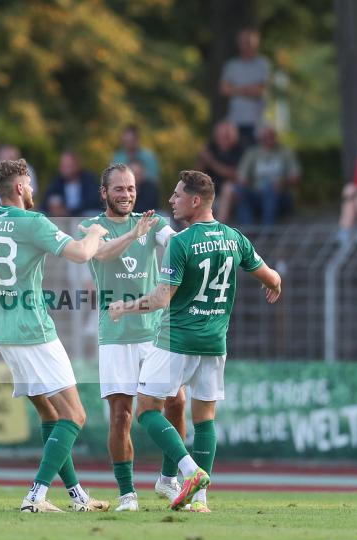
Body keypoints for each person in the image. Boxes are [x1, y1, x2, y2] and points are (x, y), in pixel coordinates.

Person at [0, 158, 111, 513]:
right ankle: (36, 496)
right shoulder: (32, 223)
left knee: (50, 415)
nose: (32, 190)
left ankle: (77, 497)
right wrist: (93, 233)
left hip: (3, 332)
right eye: (29, 183)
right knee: (75, 416)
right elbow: (80, 255)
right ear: (19, 187)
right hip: (34, 330)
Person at [109, 170, 282, 513]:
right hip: (215, 343)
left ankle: (190, 471)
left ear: (195, 200)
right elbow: (271, 276)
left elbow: (161, 299)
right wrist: (274, 285)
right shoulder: (234, 238)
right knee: (205, 419)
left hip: (177, 340)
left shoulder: (181, 242)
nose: (171, 201)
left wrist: (124, 308)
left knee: (146, 410)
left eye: (177, 195)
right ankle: (200, 502)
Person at [77, 163, 187, 512]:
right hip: (117, 334)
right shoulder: (92, 227)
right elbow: (103, 253)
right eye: (119, 189)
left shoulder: (153, 223)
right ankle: (127, 493)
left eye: (131, 188)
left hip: (156, 331)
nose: (126, 194)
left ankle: (168, 480)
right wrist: (133, 233)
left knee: (176, 402)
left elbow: (174, 242)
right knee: (122, 414)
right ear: (104, 193)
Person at [234, 124, 300, 225]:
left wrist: (282, 183)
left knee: (269, 188)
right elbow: (242, 177)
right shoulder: (251, 153)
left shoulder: (285, 152)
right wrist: (245, 184)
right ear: (260, 138)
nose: (269, 138)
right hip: (256, 193)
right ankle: (248, 230)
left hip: (280, 195)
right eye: (265, 135)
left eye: (271, 135)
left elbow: (295, 177)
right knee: (239, 191)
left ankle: (268, 228)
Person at [220, 28, 270, 148]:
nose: (246, 45)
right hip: (234, 122)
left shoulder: (262, 64)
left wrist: (236, 89)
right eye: (243, 42)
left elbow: (260, 91)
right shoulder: (231, 65)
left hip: (256, 123)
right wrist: (249, 89)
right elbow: (224, 89)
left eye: (249, 41)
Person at [198, 121, 244, 222]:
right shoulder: (211, 149)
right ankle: (189, 233)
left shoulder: (240, 151)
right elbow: (196, 175)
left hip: (234, 194)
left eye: (226, 135)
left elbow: (235, 175)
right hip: (211, 192)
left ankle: (219, 226)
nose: (223, 139)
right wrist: (203, 160)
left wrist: (212, 162)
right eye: (220, 136)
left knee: (227, 187)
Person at [42, 151, 100, 217]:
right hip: (62, 218)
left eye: (69, 165)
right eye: (63, 165)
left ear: (77, 165)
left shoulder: (88, 179)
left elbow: (93, 201)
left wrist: (70, 211)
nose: (65, 169)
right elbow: (46, 201)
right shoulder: (57, 181)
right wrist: (52, 206)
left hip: (82, 216)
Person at [112, 125, 160, 190]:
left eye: (130, 141)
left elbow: (153, 179)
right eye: (125, 141)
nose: (128, 144)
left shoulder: (149, 156)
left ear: (137, 140)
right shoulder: (118, 157)